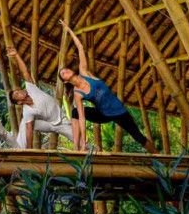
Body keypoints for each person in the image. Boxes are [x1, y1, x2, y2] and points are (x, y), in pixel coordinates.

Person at [57, 20, 156, 153]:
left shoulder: (85, 72)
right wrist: (84, 142)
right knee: (75, 112)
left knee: (138, 137)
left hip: (119, 111)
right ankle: (78, 148)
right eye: (63, 73)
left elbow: (80, 47)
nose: (65, 71)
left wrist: (68, 30)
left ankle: (159, 157)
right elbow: (82, 119)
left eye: (65, 69)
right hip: (103, 114)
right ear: (65, 81)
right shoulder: (77, 94)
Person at [5, 45, 73, 149]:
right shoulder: (27, 111)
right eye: (17, 94)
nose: (19, 91)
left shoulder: (31, 89)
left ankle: (92, 149)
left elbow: (25, 72)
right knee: (25, 123)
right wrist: (30, 149)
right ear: (19, 102)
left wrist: (16, 55)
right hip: (48, 125)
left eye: (17, 90)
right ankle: (22, 150)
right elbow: (29, 130)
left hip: (62, 121)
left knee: (79, 138)